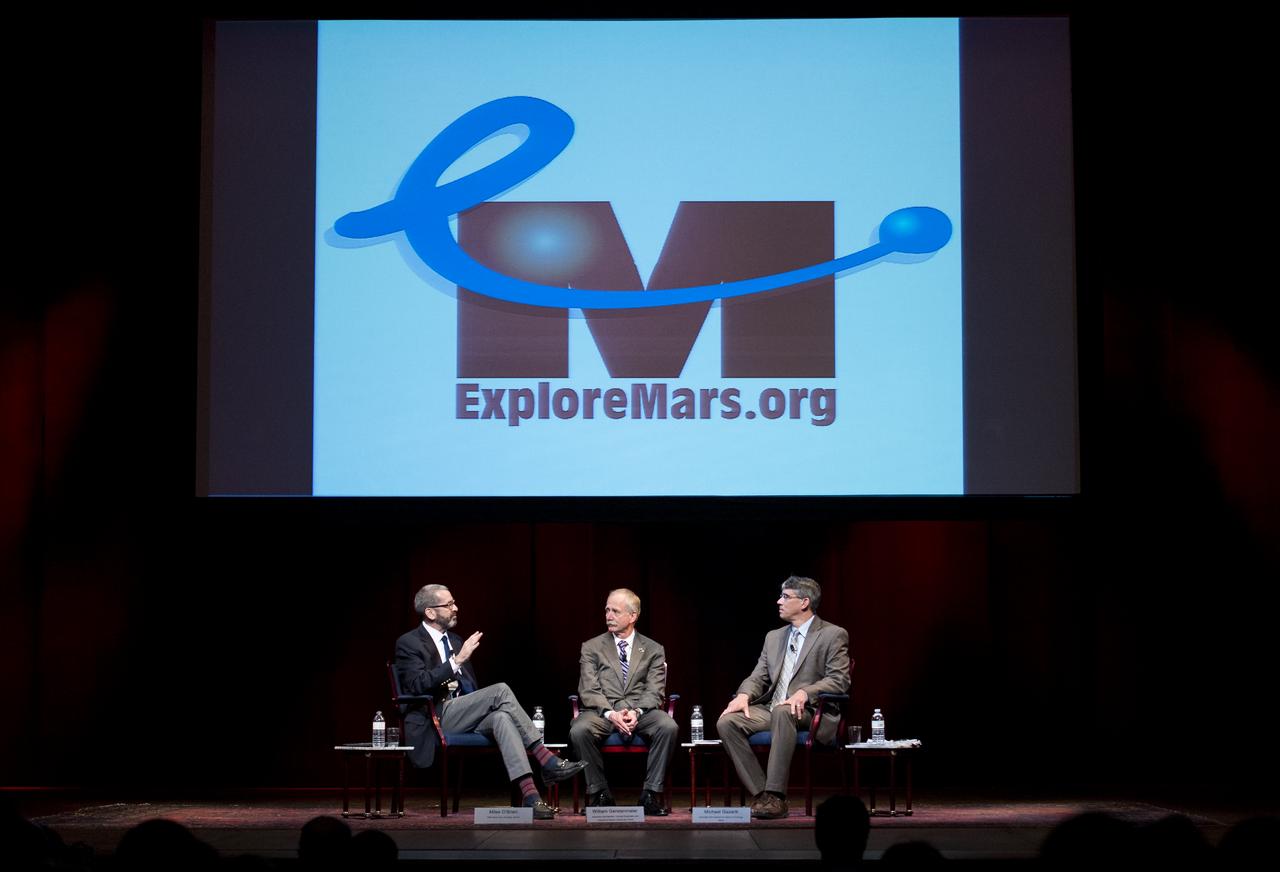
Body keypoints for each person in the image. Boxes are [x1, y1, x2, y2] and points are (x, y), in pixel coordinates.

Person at [395, 583, 586, 819]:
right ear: (430, 612)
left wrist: (465, 682)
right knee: (500, 690)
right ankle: (545, 758)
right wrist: (456, 662)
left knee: (502, 718)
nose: (456, 608)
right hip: (434, 717)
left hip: (462, 713)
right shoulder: (409, 643)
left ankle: (531, 797)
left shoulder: (455, 640)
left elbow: (470, 687)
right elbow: (416, 685)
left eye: (454, 602)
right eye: (449, 604)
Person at [716, 576, 850, 819]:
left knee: (782, 711)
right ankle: (762, 795)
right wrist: (744, 694)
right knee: (727, 721)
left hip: (809, 712)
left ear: (805, 602)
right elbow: (758, 676)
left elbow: (839, 680)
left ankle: (776, 795)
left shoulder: (832, 634)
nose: (779, 601)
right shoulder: (774, 637)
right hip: (773, 709)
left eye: (786, 597)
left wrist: (804, 692)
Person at [568, 588, 677, 816]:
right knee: (579, 729)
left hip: (641, 711)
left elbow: (655, 690)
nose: (608, 615)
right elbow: (588, 689)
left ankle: (650, 794)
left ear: (633, 616)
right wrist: (611, 714)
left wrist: (636, 712)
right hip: (602, 712)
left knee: (668, 726)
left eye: (615, 611)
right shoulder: (592, 647)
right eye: (607, 610)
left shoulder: (653, 649)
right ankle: (600, 793)